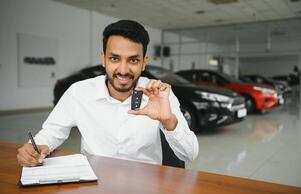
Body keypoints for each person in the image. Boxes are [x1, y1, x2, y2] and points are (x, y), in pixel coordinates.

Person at [17, 20, 199, 167]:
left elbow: (190, 155)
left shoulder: (160, 95)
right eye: (114, 58)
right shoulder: (79, 92)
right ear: (103, 59)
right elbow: (52, 131)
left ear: (144, 63)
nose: (123, 69)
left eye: (133, 60)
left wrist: (169, 121)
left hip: (146, 187)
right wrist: (38, 146)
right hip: (93, 183)